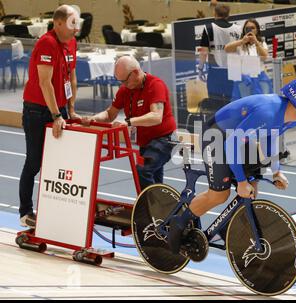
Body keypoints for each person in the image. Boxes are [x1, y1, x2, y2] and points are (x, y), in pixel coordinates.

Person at [167, 77, 296, 253]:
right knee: (220, 195)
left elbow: (271, 137)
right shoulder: (267, 113)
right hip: (217, 136)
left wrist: (276, 172)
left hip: (238, 136)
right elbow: (231, 145)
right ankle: (179, 223)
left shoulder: (293, 118)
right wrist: (241, 182)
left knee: (253, 185)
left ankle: (227, 227)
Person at [19, 5, 81, 228]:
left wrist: (70, 109)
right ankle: (25, 211)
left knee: (58, 164)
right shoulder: (47, 42)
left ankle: (52, 208)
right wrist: (56, 115)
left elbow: (71, 76)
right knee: (34, 162)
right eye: (72, 24)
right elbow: (45, 82)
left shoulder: (71, 43)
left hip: (60, 109)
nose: (76, 29)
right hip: (38, 109)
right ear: (58, 23)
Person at [82, 56, 177, 189]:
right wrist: (94, 119)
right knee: (154, 181)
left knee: (143, 170)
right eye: (120, 81)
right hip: (145, 142)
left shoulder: (155, 85)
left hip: (164, 139)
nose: (123, 84)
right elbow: (110, 114)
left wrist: (129, 122)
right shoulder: (125, 90)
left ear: (136, 72)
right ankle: (160, 206)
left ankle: (151, 206)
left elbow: (156, 116)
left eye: (125, 80)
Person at [198, 4, 241, 109]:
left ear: (214, 13)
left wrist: (200, 68)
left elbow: (204, 51)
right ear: (228, 15)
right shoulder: (238, 29)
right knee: (230, 101)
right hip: (232, 70)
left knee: (214, 102)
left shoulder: (209, 28)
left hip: (216, 70)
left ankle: (216, 124)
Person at [224, 18, 272, 100]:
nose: (250, 30)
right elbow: (226, 49)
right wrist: (242, 41)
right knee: (246, 103)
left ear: (257, 30)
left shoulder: (261, 43)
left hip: (259, 77)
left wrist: (256, 42)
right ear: (244, 30)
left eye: (253, 28)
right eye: (247, 28)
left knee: (262, 101)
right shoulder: (240, 43)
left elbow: (264, 57)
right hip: (245, 79)